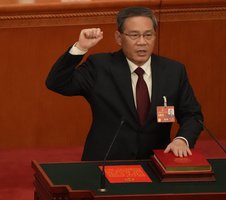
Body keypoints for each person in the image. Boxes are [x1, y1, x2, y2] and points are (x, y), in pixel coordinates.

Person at [46, 6, 203, 161]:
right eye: (134, 35)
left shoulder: (173, 71)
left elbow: (192, 115)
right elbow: (57, 82)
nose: (142, 42)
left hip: (155, 164)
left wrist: (182, 139)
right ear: (119, 38)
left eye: (148, 35)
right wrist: (80, 48)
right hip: (106, 164)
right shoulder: (99, 67)